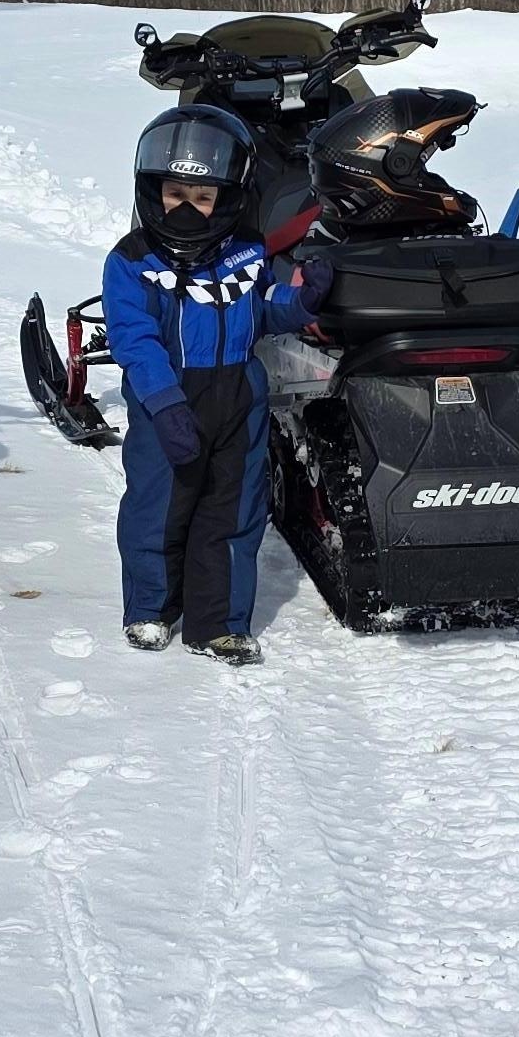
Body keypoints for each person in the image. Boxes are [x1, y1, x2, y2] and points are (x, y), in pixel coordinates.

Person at [104, 102, 326, 662]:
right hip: (170, 399)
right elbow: (134, 339)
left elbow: (264, 309)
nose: (187, 210)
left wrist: (303, 302)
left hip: (239, 398)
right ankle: (151, 608)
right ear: (152, 191)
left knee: (232, 513)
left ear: (227, 198)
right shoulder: (130, 262)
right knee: (159, 508)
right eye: (175, 195)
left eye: (201, 199)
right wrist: (164, 404)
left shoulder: (246, 252)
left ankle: (218, 623)